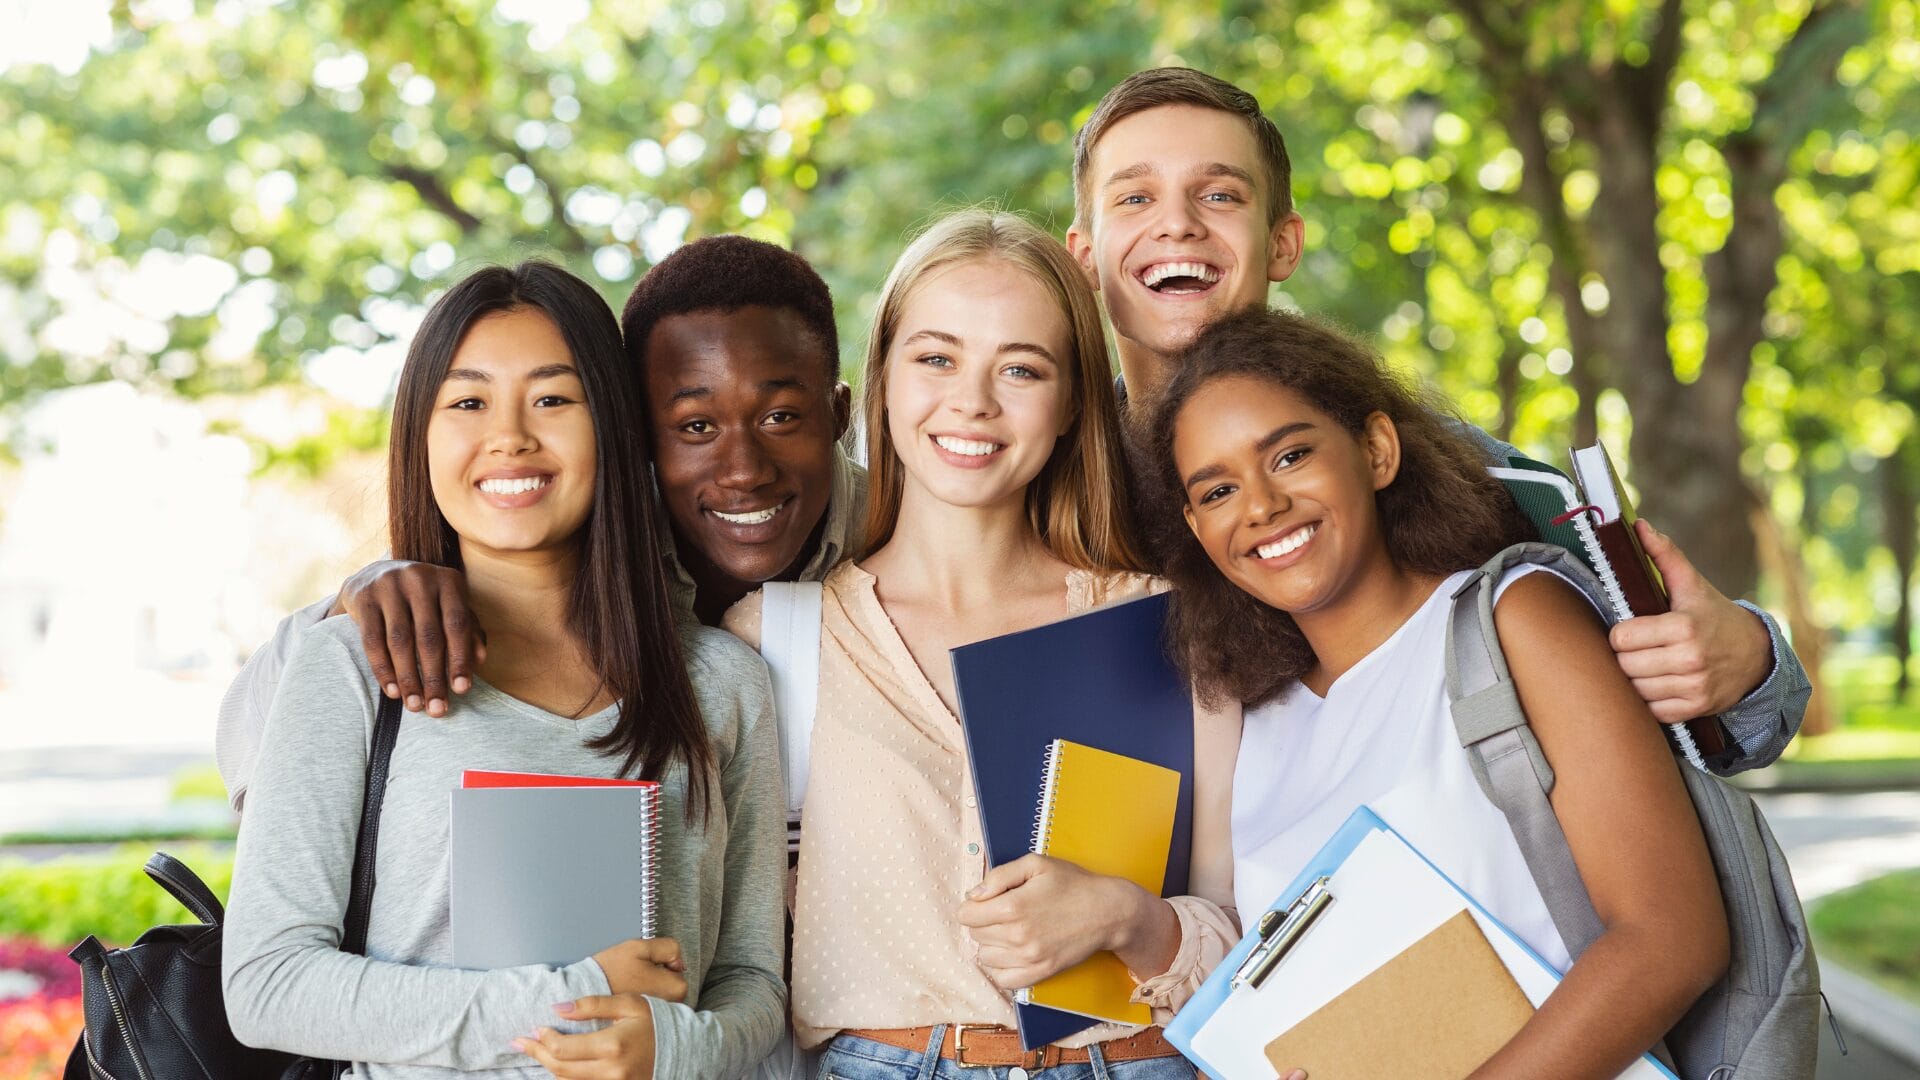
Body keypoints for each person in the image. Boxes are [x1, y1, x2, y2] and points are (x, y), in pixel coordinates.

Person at [1063, 66, 1811, 775]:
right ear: (1085, 258)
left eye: (1220, 195)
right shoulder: (1042, 485)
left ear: (1283, 243)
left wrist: (1745, 663)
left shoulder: (1451, 470)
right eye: (1134, 199)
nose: (1178, 226)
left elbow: (1697, 724)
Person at [221, 261, 786, 1079]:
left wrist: (677, 1044)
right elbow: (266, 984)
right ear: (422, 431)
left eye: (554, 399)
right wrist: (571, 998)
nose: (511, 436)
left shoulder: (723, 683)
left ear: (616, 428)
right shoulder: (350, 665)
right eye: (468, 402)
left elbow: (752, 979)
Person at [722, 209, 1238, 1078]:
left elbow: (1253, 926)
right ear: (881, 378)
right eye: (936, 358)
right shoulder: (775, 640)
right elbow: (732, 951)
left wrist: (1131, 921)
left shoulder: (1167, 627)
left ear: (1075, 402)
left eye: (1022, 368)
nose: (972, 401)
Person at [1149, 308, 1729, 1079]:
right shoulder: (1254, 720)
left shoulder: (1514, 618)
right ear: (1195, 525)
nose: (1259, 505)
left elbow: (1672, 938)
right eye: (1218, 490)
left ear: (1377, 449)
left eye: (1289, 455)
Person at [214, 237, 865, 808]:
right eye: (694, 427)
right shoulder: (566, 544)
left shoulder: (905, 535)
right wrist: (354, 603)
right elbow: (253, 767)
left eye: (781, 418)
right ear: (635, 432)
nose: (744, 469)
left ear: (838, 414)